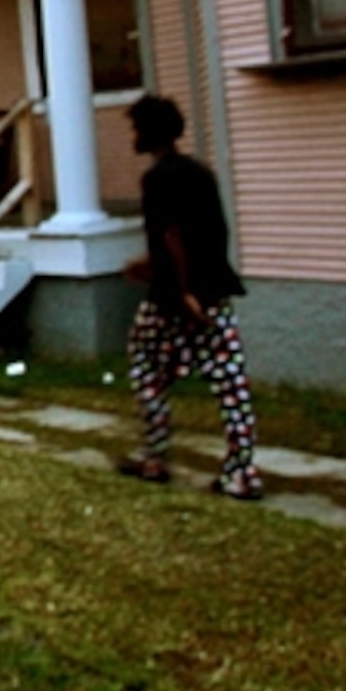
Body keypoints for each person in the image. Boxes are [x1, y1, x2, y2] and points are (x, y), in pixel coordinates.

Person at [116, 91, 260, 501]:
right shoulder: (201, 173)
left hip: (174, 299)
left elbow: (173, 236)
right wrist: (150, 265)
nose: (132, 136)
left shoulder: (158, 178)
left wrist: (183, 293)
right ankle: (242, 473)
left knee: (146, 368)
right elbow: (207, 235)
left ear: (148, 131)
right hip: (215, 292)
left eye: (135, 128)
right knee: (231, 385)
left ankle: (154, 457)